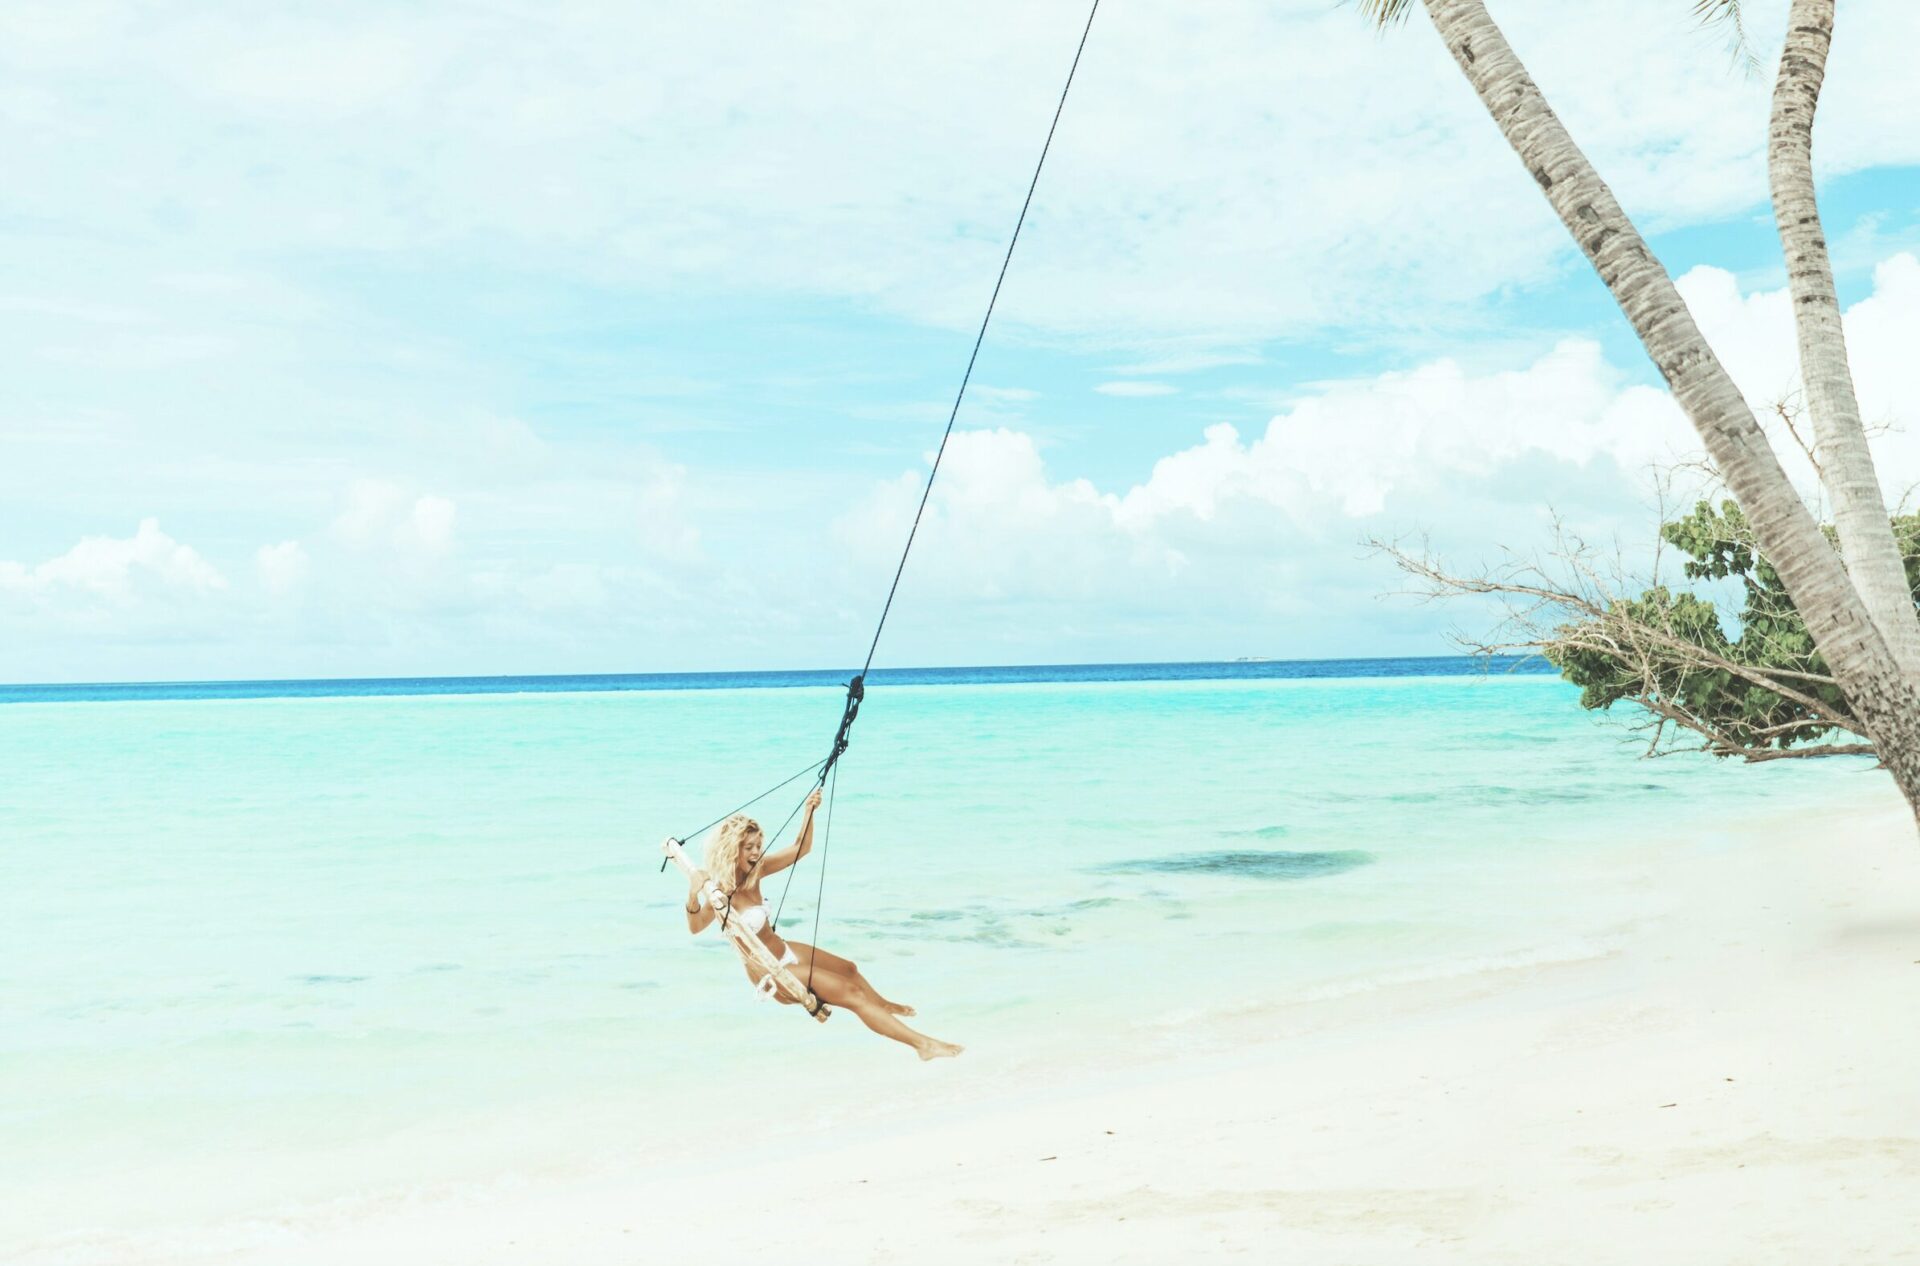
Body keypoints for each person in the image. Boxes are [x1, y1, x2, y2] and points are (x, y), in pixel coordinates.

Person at [684, 789, 962, 1060]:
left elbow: (801, 848)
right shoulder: (720, 894)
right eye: (749, 847)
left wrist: (809, 811)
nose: (756, 852)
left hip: (784, 950)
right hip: (773, 973)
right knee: (852, 994)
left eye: (758, 845)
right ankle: (923, 1045)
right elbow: (696, 926)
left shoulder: (757, 871)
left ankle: (882, 1006)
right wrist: (692, 895)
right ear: (733, 848)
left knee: (850, 969)